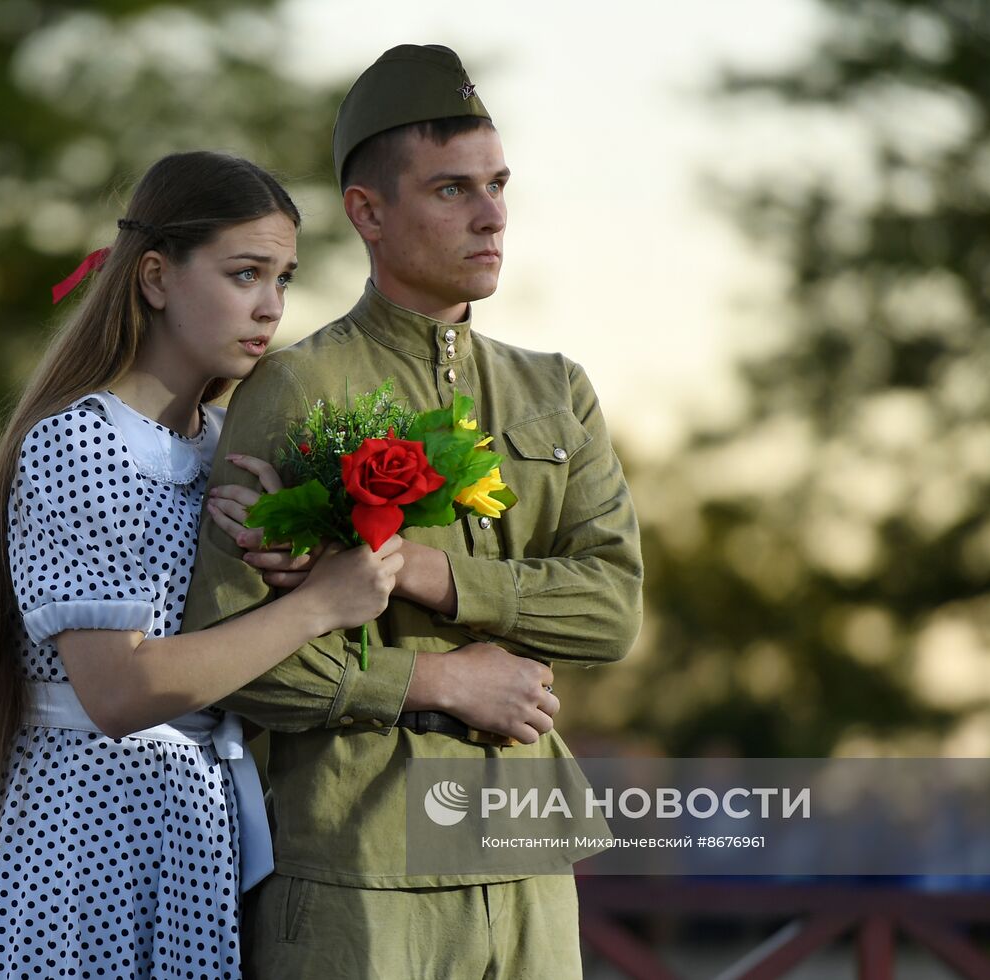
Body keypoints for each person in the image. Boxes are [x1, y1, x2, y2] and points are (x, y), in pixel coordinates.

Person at [183, 45, 644, 978]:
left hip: (529, 866)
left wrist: (432, 575)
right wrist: (433, 681)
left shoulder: (557, 391)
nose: (492, 214)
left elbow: (611, 610)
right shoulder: (294, 389)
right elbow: (234, 664)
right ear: (369, 213)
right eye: (451, 190)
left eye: (498, 184)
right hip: (358, 871)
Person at [0, 151, 404, 980]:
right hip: (76, 858)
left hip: (189, 845)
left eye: (283, 279)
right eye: (245, 273)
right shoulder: (81, 441)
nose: (270, 306)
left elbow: (225, 672)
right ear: (154, 278)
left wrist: (283, 569)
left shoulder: (222, 450)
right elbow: (119, 691)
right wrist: (315, 605)